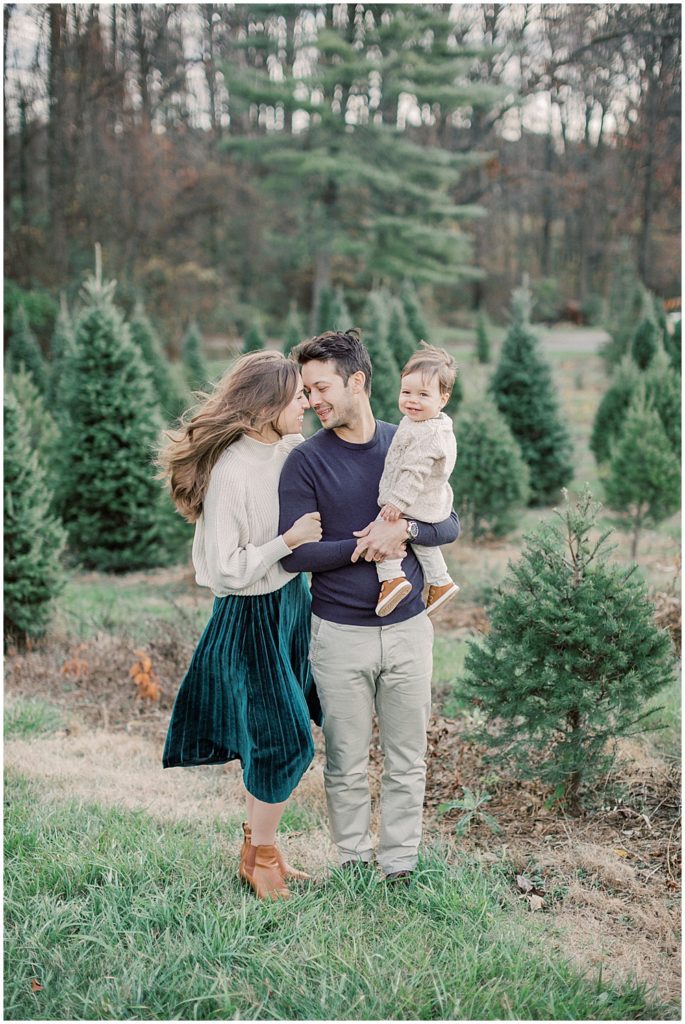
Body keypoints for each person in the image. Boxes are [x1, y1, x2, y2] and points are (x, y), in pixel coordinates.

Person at [278, 329, 460, 884]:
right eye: (307, 392)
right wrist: (365, 546)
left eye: (321, 387)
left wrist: (402, 527)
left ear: (357, 381)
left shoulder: (409, 437)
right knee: (346, 761)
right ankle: (354, 861)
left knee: (408, 759)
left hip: (409, 632)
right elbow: (296, 555)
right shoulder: (305, 463)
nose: (312, 401)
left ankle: (399, 863)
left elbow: (448, 523)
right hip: (339, 634)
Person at [158, 350, 323, 901]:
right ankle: (264, 856)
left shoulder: (288, 449)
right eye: (298, 395)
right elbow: (224, 570)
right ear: (265, 406)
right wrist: (287, 542)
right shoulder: (231, 471)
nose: (307, 403)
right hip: (251, 616)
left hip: (289, 606)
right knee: (286, 740)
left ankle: (257, 854)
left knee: (274, 736)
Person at [374, 343, 460, 618]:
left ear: (442, 399)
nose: (412, 400)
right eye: (406, 392)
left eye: (423, 394)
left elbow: (414, 470)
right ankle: (440, 580)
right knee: (424, 545)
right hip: (430, 501)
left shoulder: (427, 434)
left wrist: (396, 503)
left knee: (382, 529)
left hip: (414, 500)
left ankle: (391, 578)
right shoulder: (427, 424)